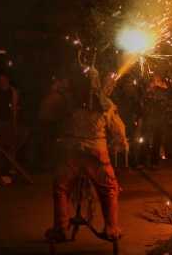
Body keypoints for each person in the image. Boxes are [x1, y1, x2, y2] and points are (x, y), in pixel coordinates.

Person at [45, 68, 128, 242]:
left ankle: (61, 229)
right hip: (96, 153)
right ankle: (111, 228)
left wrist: (56, 91)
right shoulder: (106, 105)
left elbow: (47, 116)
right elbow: (119, 131)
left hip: (71, 152)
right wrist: (120, 143)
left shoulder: (67, 101)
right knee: (110, 188)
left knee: (61, 187)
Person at [0, 74, 20, 185]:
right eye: (0, 80)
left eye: (4, 80)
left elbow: (15, 109)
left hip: (9, 123)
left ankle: (11, 170)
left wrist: (14, 124)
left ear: (7, 80)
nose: (2, 82)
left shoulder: (13, 92)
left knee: (11, 146)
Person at [36, 76, 70, 171]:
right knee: (48, 145)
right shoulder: (53, 96)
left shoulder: (60, 96)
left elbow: (63, 111)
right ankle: (48, 165)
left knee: (51, 145)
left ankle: (50, 165)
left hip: (53, 123)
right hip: (48, 123)